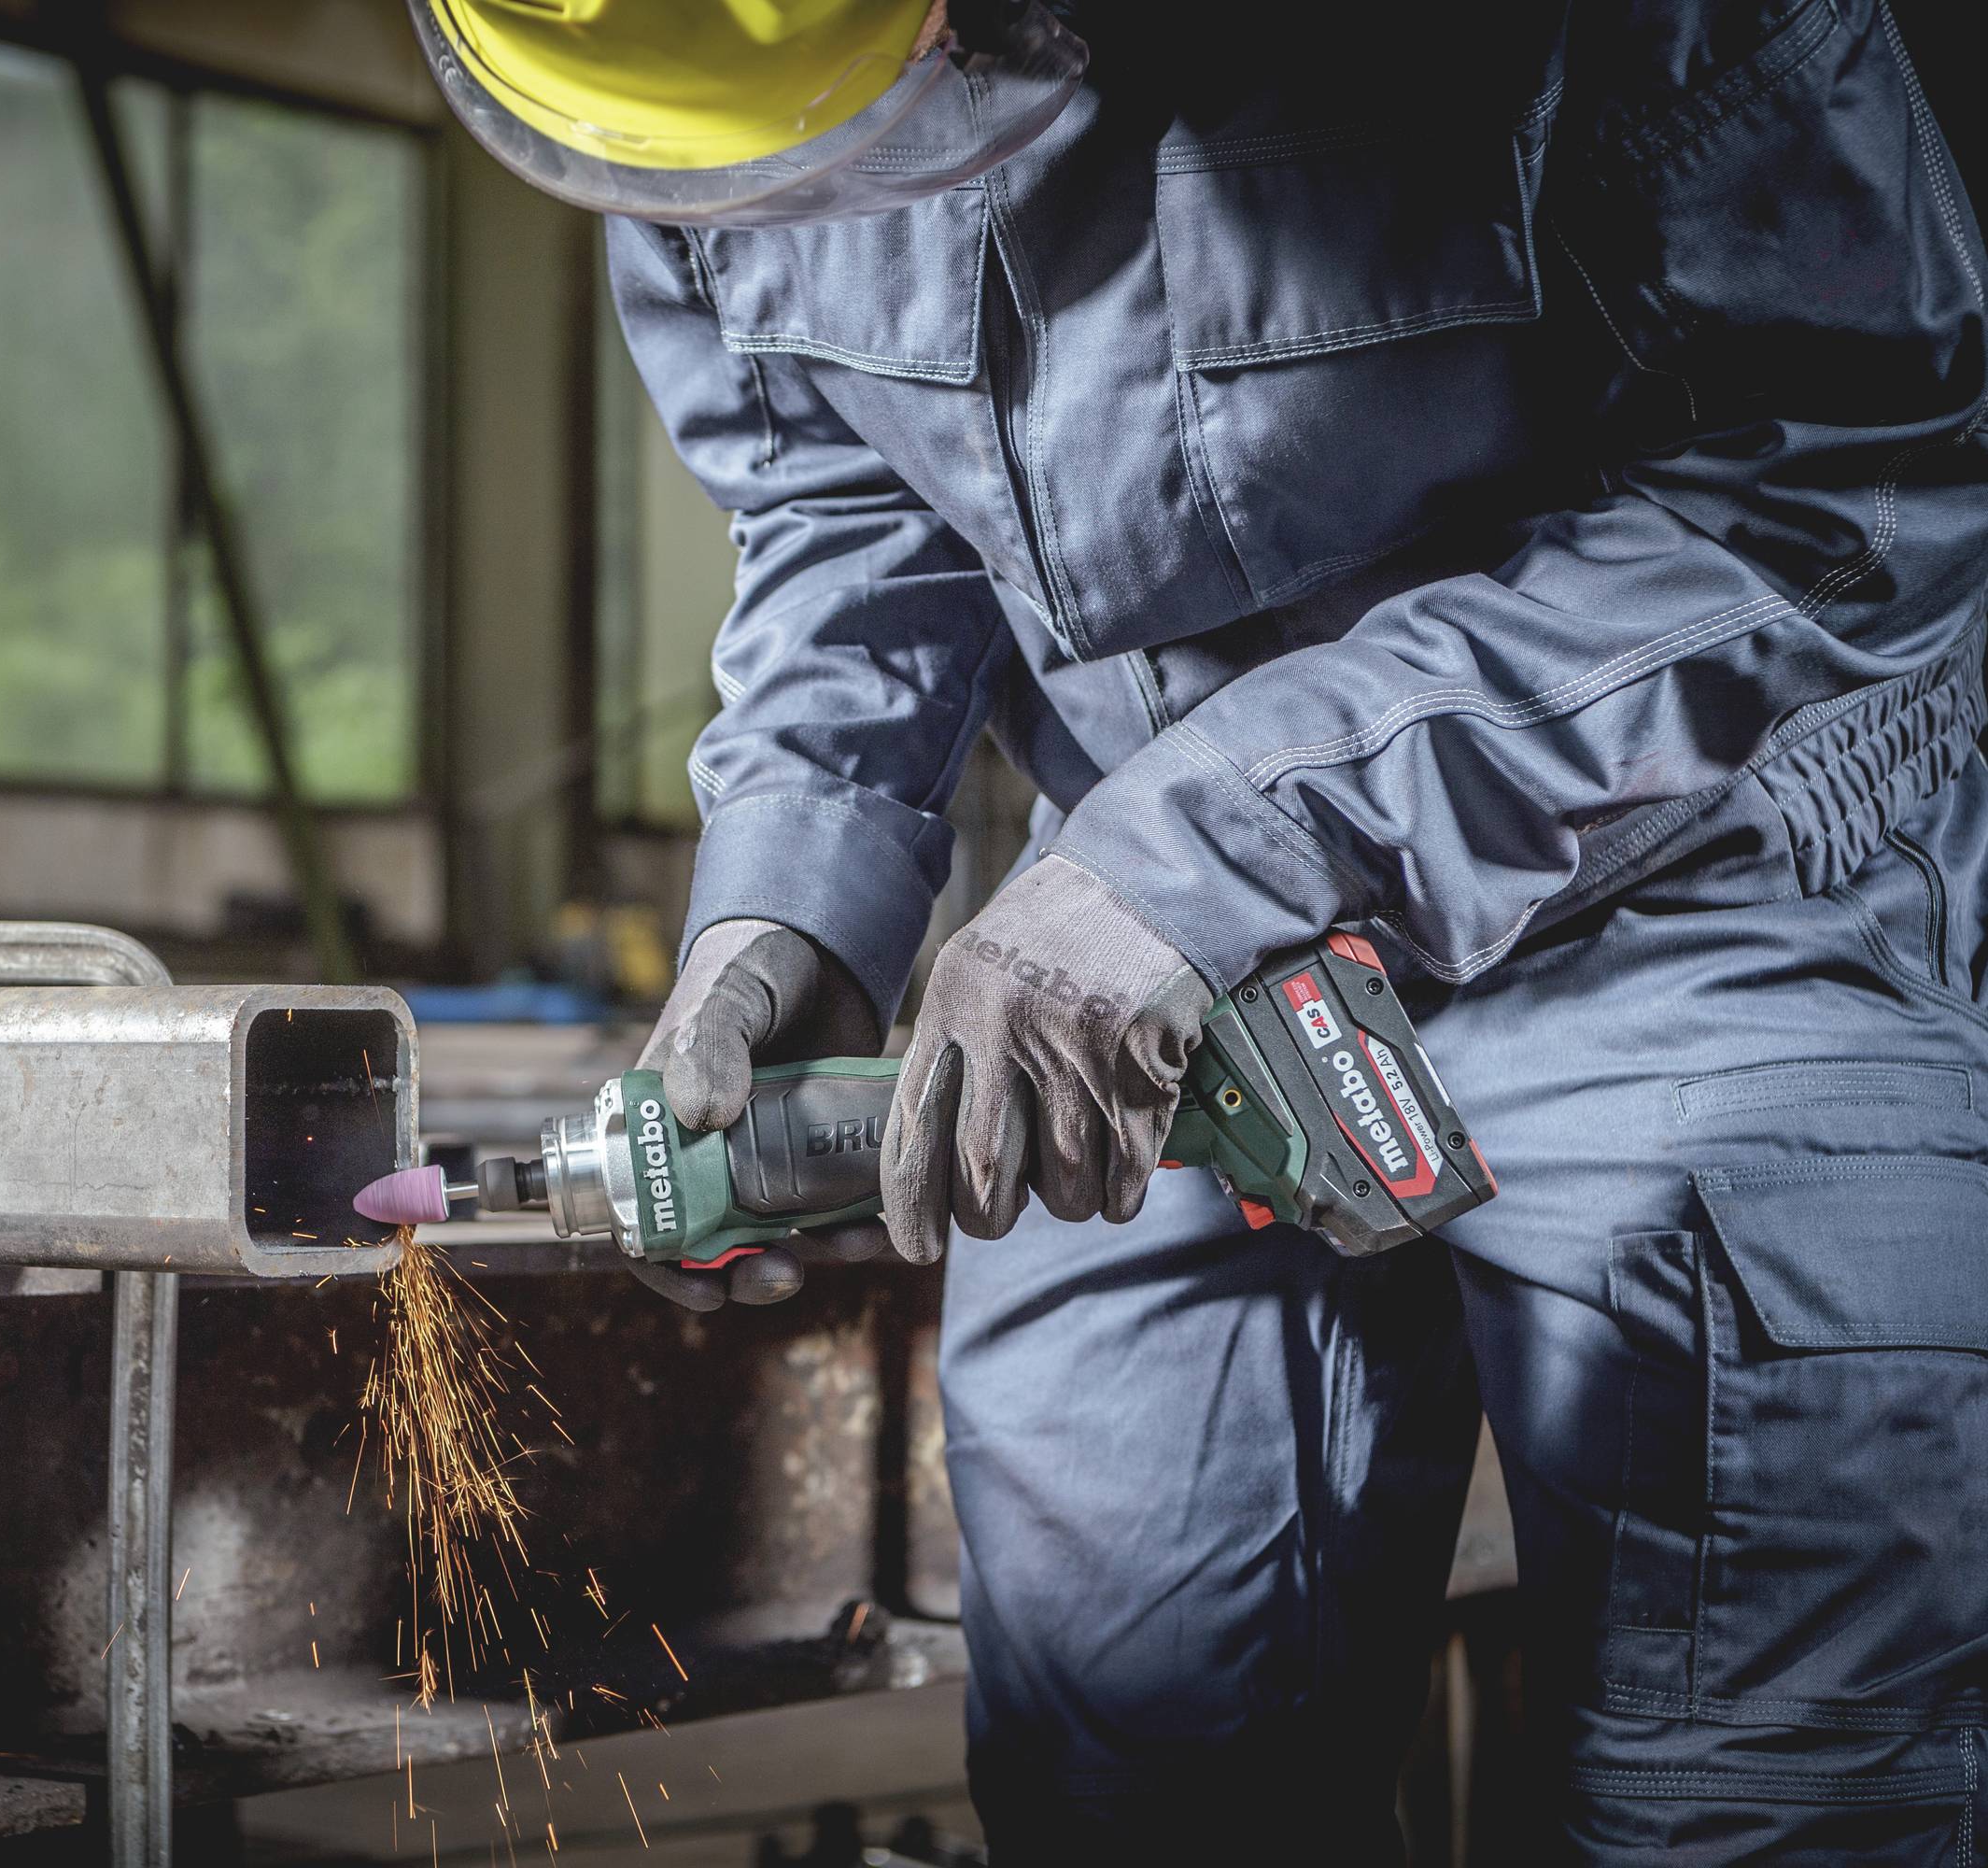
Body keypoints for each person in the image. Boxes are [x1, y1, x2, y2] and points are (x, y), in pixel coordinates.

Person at [414, 0, 1988, 1858]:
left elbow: (1828, 494)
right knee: (1131, 1778)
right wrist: (789, 906)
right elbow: (839, 507)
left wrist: (1205, 848)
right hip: (1131, 967)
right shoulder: (660, 70)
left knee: (1757, 1802)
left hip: (1691, 875)